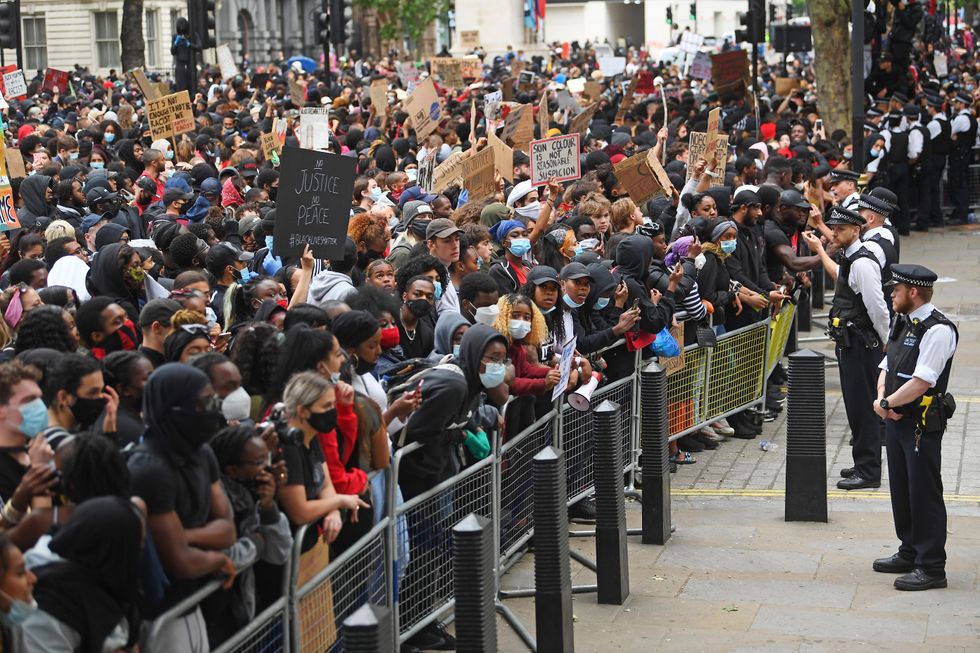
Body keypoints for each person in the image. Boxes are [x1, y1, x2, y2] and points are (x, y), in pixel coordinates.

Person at [127, 364, 238, 650]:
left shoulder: (202, 452)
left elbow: (228, 529)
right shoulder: (147, 468)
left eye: (214, 400)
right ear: (172, 407)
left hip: (193, 602)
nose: (213, 410)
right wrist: (217, 560)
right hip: (162, 615)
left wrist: (182, 536)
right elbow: (179, 562)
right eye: (204, 403)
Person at [872, 264, 958, 591]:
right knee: (902, 489)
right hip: (894, 418)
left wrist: (886, 404)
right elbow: (887, 364)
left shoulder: (937, 330)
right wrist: (884, 399)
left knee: (924, 493)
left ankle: (932, 566)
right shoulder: (903, 320)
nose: (891, 293)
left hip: (920, 423)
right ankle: (909, 550)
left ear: (912, 292)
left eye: (895, 289)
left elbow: (922, 382)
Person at [803, 207, 889, 491]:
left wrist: (887, 341)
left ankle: (868, 471)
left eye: (839, 229)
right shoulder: (852, 259)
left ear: (856, 230)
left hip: (864, 345)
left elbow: (877, 307)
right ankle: (863, 462)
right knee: (856, 407)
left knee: (864, 409)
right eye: (833, 228)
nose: (834, 233)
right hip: (852, 344)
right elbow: (843, 277)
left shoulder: (863, 262)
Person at [22, 496, 144, 653]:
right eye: (135, 549)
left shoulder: (106, 577)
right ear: (110, 553)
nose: (138, 557)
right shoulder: (51, 604)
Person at [946, 91, 976, 225]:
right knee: (962, 184)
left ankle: (961, 214)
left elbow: (949, 134)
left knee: (958, 185)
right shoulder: (972, 119)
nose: (955, 104)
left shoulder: (960, 119)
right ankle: (959, 212)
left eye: (957, 102)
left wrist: (954, 138)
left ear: (962, 104)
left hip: (958, 156)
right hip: (966, 155)